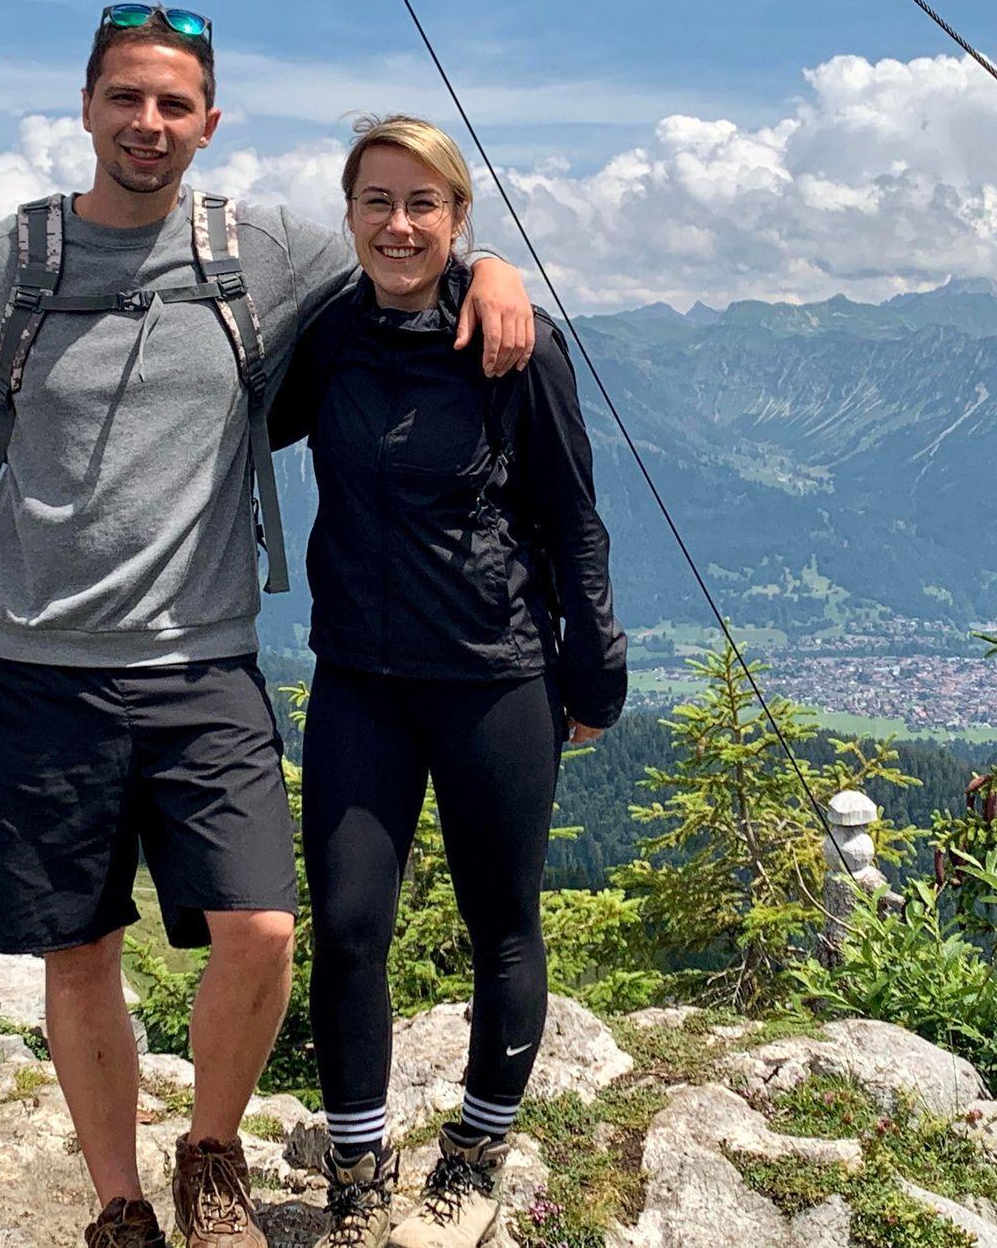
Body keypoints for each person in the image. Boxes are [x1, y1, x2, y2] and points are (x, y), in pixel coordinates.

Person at [0, 9, 537, 1248]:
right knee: (80, 952)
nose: (147, 123)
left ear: (208, 123)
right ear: (86, 107)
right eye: (126, 97)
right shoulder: (12, 259)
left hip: (202, 659)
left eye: (173, 104)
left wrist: (490, 270)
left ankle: (211, 1153)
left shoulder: (258, 249)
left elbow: (400, 250)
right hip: (39, 662)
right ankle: (119, 1202)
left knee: (261, 928)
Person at [270, 116, 627, 1248]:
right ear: (349, 216)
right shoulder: (329, 336)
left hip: (493, 676)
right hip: (360, 678)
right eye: (377, 201)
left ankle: (475, 1154)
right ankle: (357, 1171)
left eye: (423, 203)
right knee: (347, 928)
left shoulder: (515, 345)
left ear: (458, 216)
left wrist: (595, 671)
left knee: (501, 925)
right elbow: (238, 414)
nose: (399, 224)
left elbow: (574, 518)